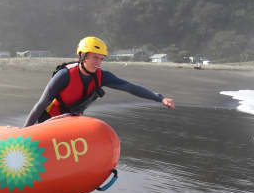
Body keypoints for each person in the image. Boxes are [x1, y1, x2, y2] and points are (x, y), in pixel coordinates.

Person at [24, 36, 174, 127]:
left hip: (72, 120)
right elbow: (41, 104)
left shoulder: (102, 76)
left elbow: (130, 87)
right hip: (50, 119)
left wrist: (160, 98)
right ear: (83, 56)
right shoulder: (64, 75)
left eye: (101, 58)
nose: (99, 62)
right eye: (95, 57)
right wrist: (24, 132)